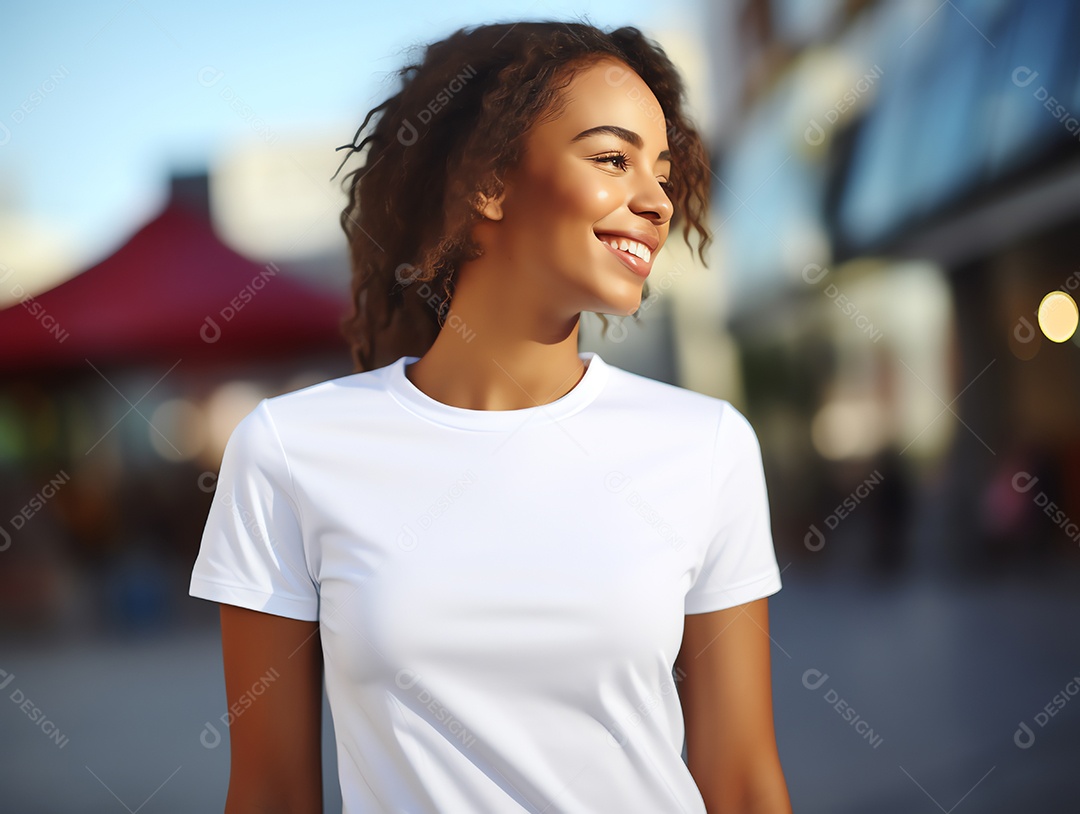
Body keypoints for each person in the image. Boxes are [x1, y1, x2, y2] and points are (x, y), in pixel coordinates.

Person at [189, 19, 792, 814]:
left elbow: (743, 781)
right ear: (489, 182)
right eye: (614, 159)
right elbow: (269, 791)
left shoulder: (706, 445)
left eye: (663, 169)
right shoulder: (290, 450)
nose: (654, 200)